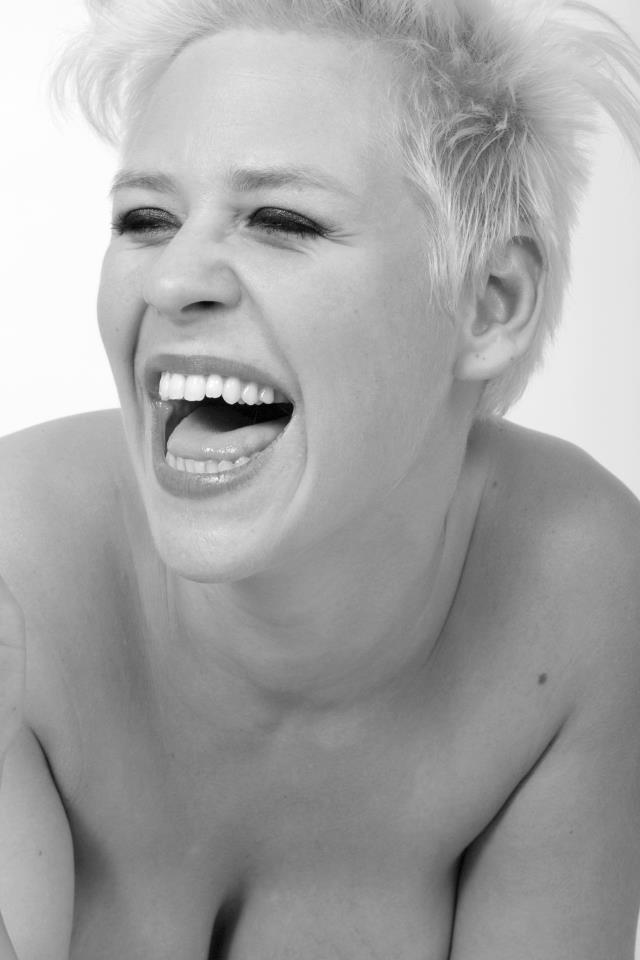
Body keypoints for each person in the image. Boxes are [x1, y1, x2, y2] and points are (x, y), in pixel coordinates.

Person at [1, 0, 640, 957]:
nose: (171, 280)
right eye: (146, 219)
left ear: (490, 301)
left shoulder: (583, 593)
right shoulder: (14, 584)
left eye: (282, 220)